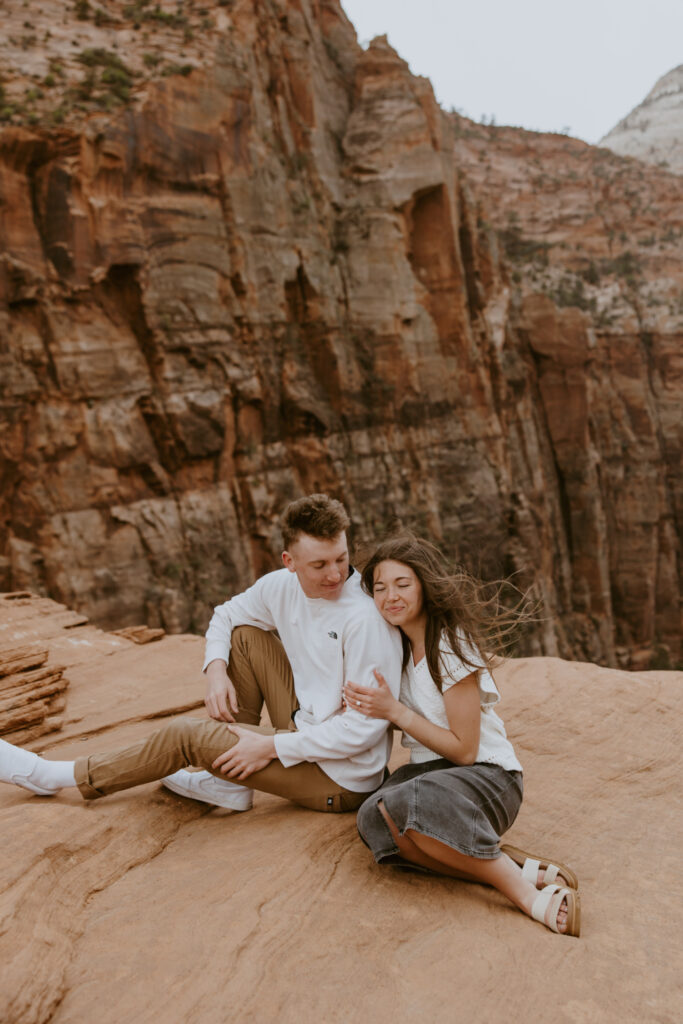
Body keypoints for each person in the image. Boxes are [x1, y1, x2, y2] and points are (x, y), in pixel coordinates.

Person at [0, 495, 402, 815]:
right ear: (289, 562)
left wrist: (271, 747)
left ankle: (54, 776)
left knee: (184, 736)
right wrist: (215, 669)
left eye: (341, 559)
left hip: (341, 778)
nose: (335, 575)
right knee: (244, 636)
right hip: (304, 724)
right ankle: (230, 782)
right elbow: (226, 616)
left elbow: (363, 731)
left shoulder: (365, 617)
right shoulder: (280, 586)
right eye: (319, 565)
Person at [342, 534, 581, 937]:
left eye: (403, 584)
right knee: (373, 818)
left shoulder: (449, 644)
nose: (390, 597)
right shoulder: (394, 649)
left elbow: (466, 750)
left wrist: (394, 711)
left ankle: (523, 895)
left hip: (488, 779)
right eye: (379, 588)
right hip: (436, 778)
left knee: (409, 799)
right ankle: (506, 865)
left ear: (424, 585)